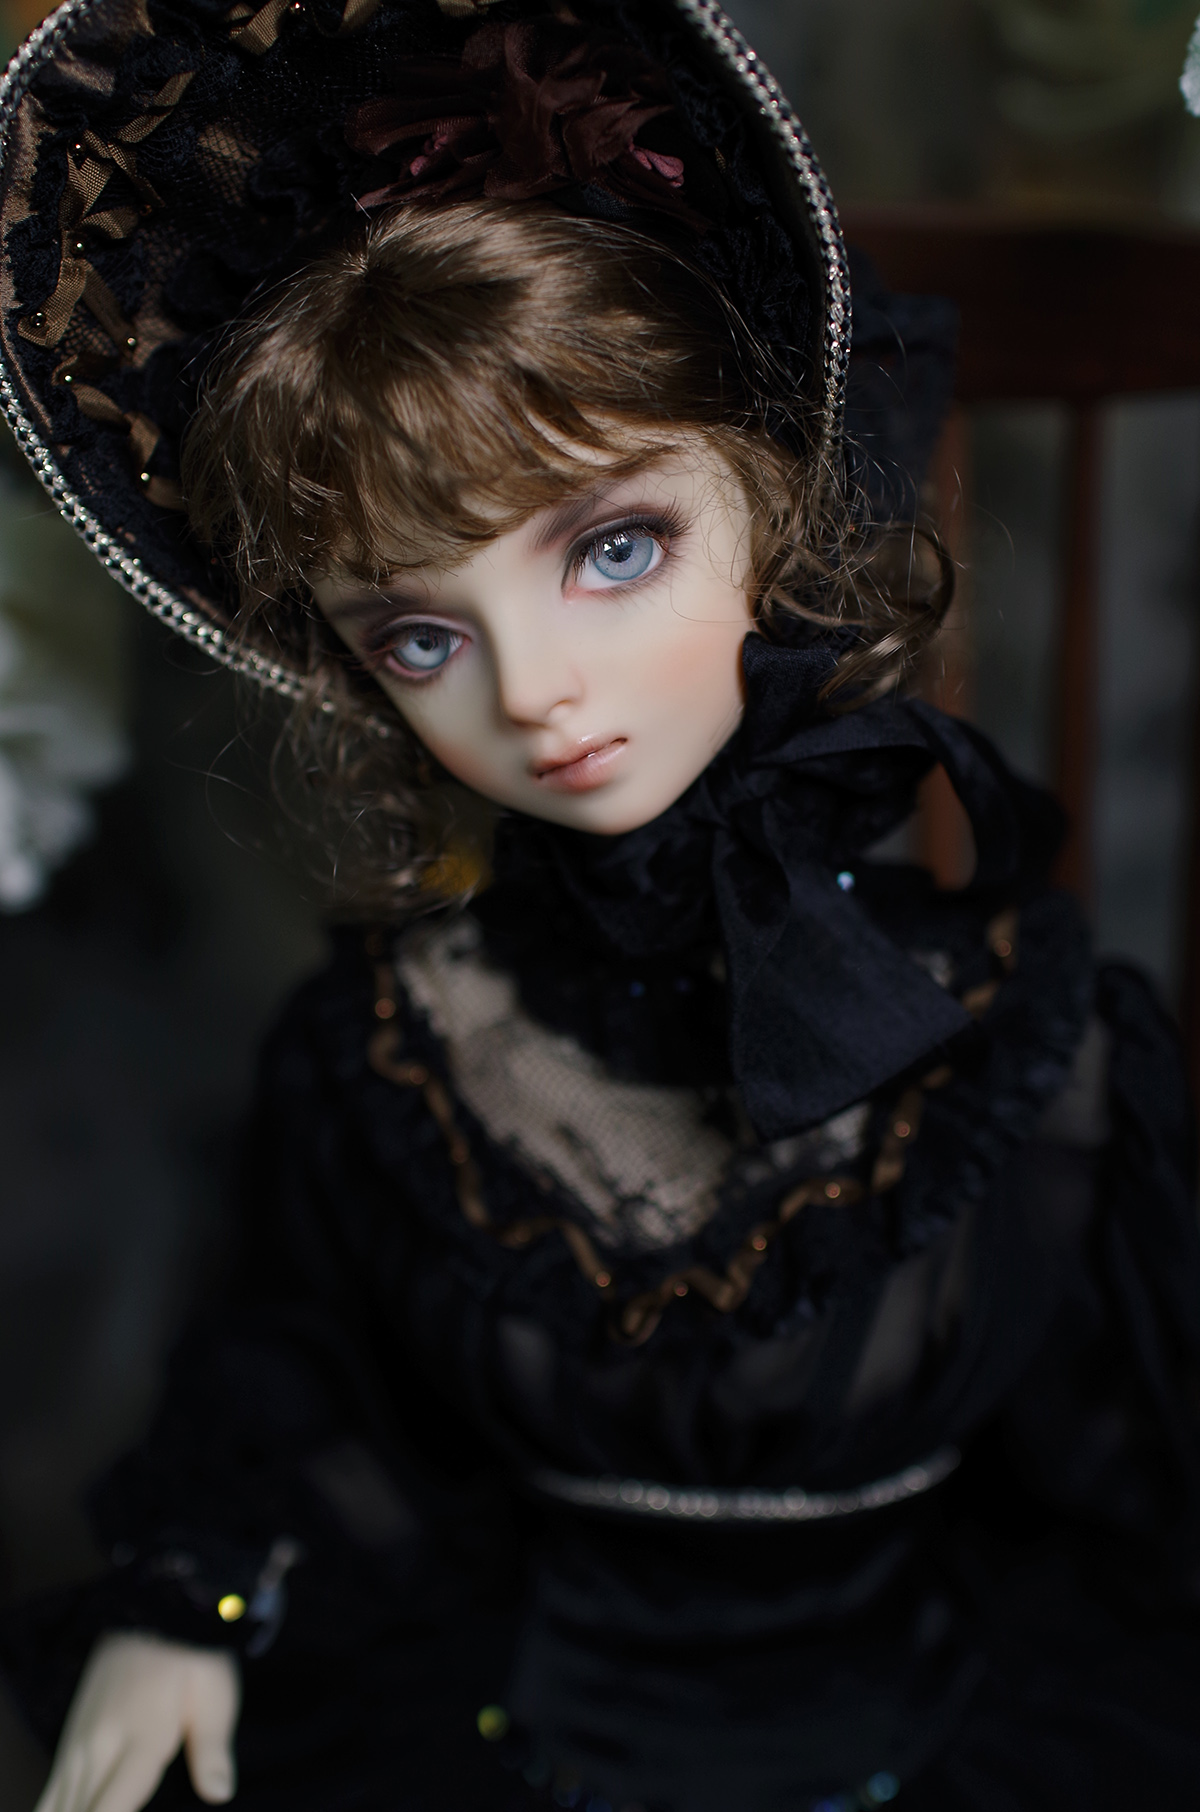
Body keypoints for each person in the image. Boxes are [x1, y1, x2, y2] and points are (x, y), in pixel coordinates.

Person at [1, 3, 1199, 1811]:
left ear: (775, 494)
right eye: (420, 636)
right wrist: (190, 1595)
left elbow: (1124, 1473)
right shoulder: (395, 1056)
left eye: (614, 548)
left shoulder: (1032, 1048)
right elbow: (296, 1368)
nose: (538, 692)